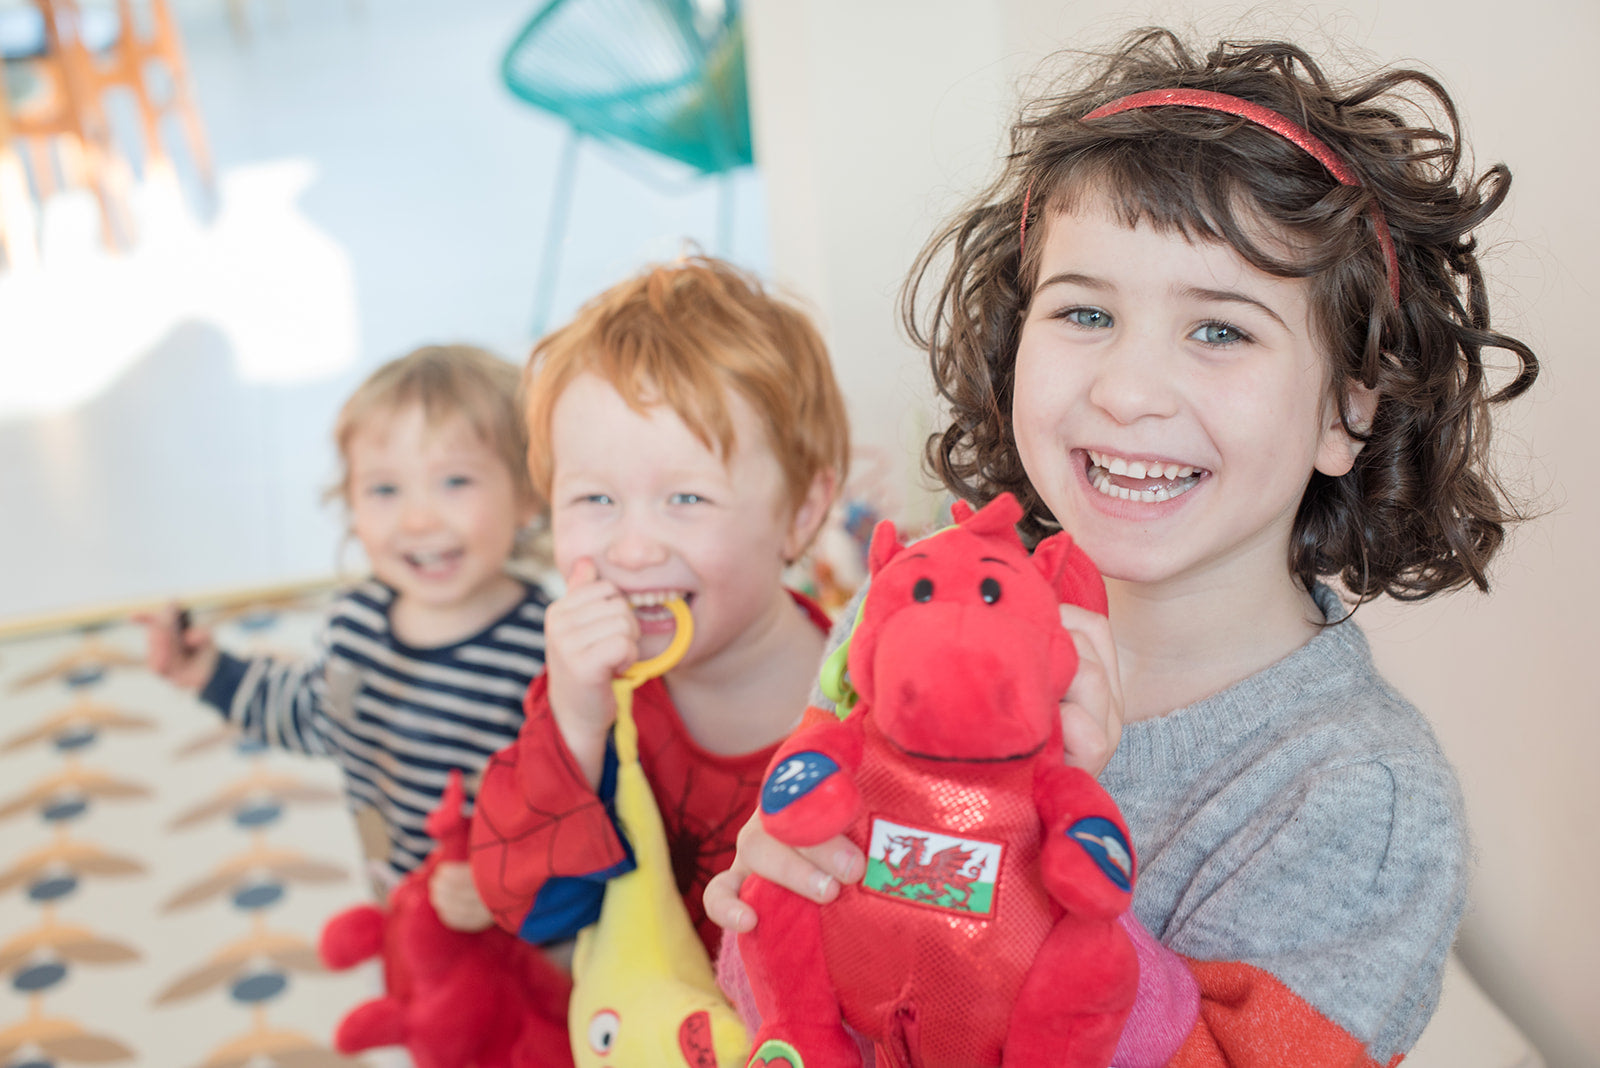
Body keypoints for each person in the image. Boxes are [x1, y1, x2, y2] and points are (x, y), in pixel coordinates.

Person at [704, 28, 1538, 1067]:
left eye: (1221, 330)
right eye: (1086, 312)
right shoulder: (912, 615)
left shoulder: (1359, 797)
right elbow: (771, 986)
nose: (1130, 391)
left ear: (1347, 411)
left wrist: (1038, 834)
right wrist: (772, 894)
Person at [466, 256, 850, 967]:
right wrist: (577, 726)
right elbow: (534, 910)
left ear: (801, 513)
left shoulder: (872, 698)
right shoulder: (591, 701)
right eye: (595, 499)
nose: (634, 550)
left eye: (687, 498)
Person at [141, 345, 551, 913]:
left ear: (528, 495)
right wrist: (209, 671)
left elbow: (578, 801)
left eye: (455, 481)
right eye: (385, 490)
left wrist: (511, 884)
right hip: (398, 901)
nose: (418, 519)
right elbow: (318, 716)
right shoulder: (356, 624)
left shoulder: (546, 647)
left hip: (520, 924)